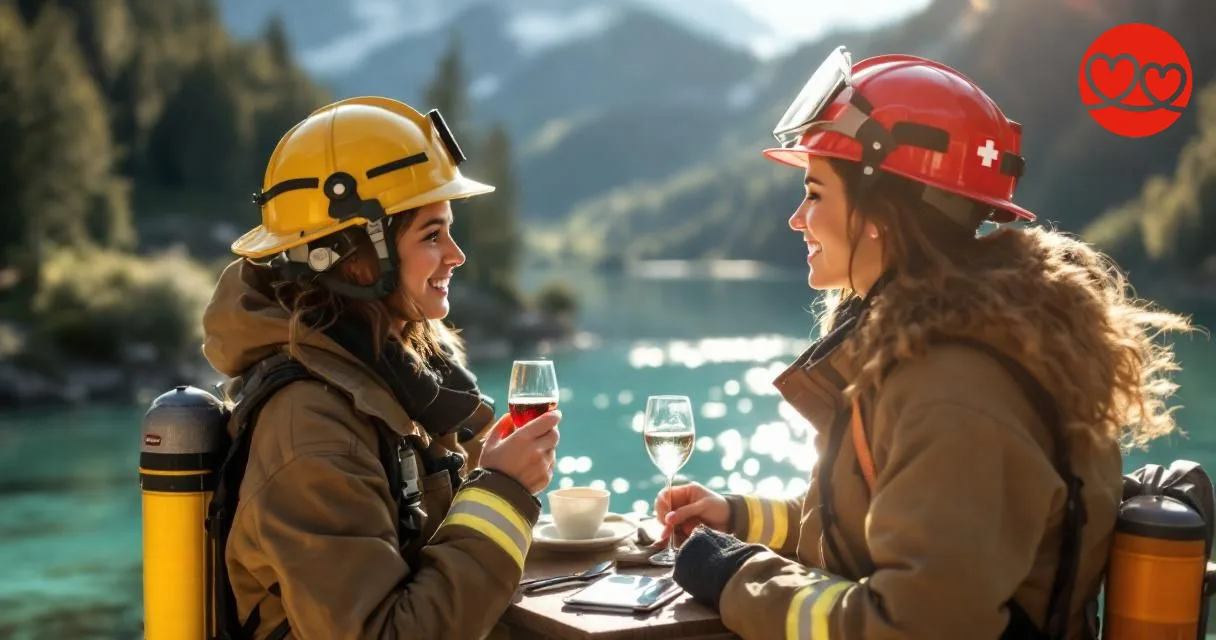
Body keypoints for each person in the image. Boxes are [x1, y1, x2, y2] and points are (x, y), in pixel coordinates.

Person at [654, 47, 1193, 639]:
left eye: (814, 192)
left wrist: (737, 578)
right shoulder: (939, 353)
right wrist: (738, 517)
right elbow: (878, 533)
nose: (797, 219)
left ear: (879, 211)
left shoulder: (953, 390)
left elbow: (914, 626)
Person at [200, 96, 559, 639]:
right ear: (356, 257)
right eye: (432, 235)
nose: (457, 255)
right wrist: (502, 490)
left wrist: (492, 476)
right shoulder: (311, 430)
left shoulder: (394, 379)